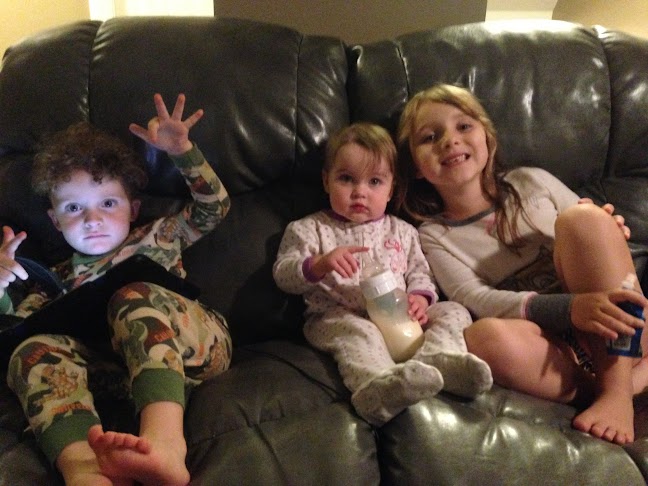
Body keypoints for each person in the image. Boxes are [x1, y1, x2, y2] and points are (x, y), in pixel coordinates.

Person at [394, 83, 648, 445]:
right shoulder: (433, 235)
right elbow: (473, 297)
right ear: (416, 167)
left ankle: (617, 390)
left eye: (463, 126)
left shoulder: (532, 181)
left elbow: (594, 233)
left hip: (622, 328)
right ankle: (621, 386)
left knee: (584, 219)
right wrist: (569, 309)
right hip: (554, 351)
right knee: (481, 337)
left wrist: (607, 228)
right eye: (430, 137)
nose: (449, 141)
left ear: (487, 136)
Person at [0, 93, 232, 485]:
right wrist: (2, 288)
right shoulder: (54, 280)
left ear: (133, 210)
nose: (92, 219)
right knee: (31, 350)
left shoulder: (159, 235)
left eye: (108, 203)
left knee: (133, 296)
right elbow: (16, 330)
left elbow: (215, 207)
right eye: (74, 208)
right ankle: (84, 469)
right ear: (55, 221)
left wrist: (182, 152)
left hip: (194, 345)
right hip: (114, 374)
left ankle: (165, 445)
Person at [272, 122, 492, 426]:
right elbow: (283, 275)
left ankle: (439, 358)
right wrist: (318, 264)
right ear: (326, 181)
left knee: (453, 310)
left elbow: (421, 273)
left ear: (391, 190)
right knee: (360, 333)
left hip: (401, 315)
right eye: (346, 179)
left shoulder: (403, 231)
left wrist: (420, 299)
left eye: (374, 181)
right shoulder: (309, 229)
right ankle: (377, 389)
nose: (360, 192)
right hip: (339, 316)